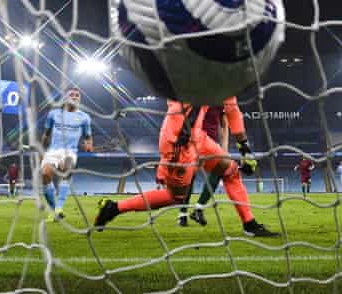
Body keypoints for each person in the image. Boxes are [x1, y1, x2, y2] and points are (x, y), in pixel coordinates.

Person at [94, 98, 278, 237]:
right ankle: (114, 208)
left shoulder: (218, 67)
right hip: (178, 143)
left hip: (198, 136)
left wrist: (244, 148)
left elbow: (231, 107)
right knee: (176, 197)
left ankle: (249, 224)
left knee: (230, 171)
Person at [41, 87, 93, 221]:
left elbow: (88, 136)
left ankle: (59, 207)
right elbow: (46, 134)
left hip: (70, 152)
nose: (75, 97)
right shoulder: (53, 114)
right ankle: (53, 211)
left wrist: (88, 144)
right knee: (45, 175)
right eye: (72, 95)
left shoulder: (84, 118)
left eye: (77, 95)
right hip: (53, 151)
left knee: (66, 171)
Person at [179, 99, 229, 227]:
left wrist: (224, 149)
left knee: (221, 167)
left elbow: (224, 125)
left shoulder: (222, 99)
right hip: (193, 141)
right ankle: (182, 213)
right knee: (190, 176)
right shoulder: (195, 96)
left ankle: (198, 208)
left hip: (210, 143)